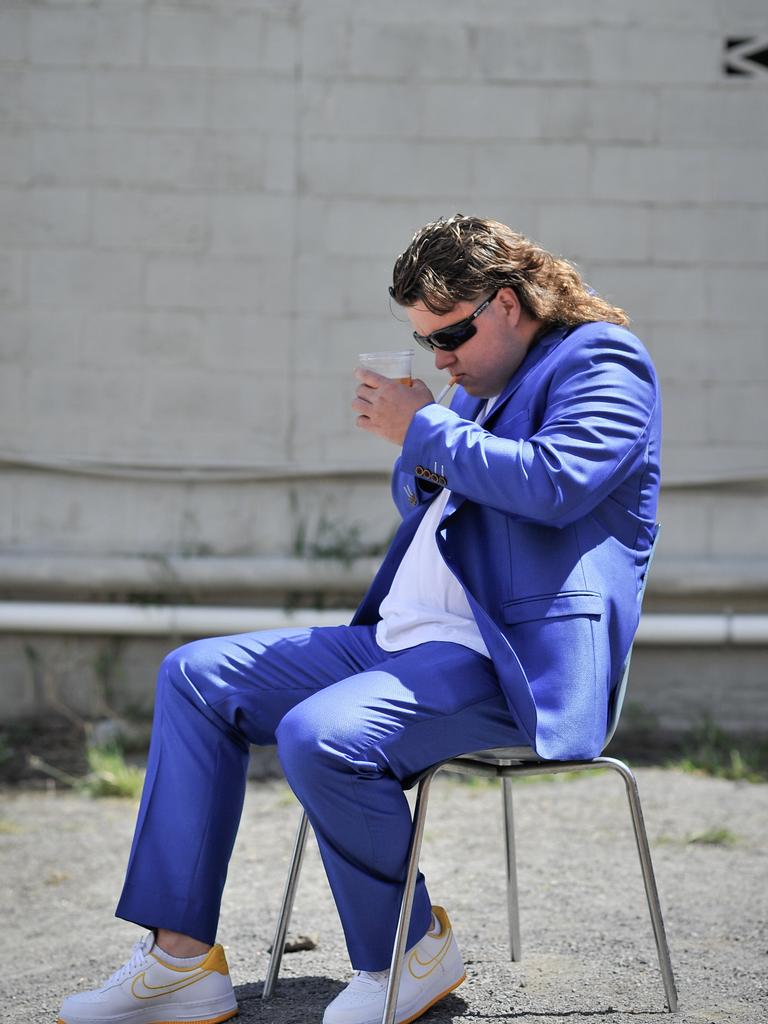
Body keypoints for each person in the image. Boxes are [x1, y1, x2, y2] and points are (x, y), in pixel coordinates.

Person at [58, 215, 661, 1024]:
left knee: (323, 734)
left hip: (504, 659)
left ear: (510, 303)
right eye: (426, 339)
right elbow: (435, 501)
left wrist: (427, 427)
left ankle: (407, 951)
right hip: (399, 643)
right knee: (196, 675)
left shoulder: (603, 360)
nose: (440, 358)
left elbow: (557, 484)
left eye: (450, 335)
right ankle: (179, 962)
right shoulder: (477, 386)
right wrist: (420, 442)